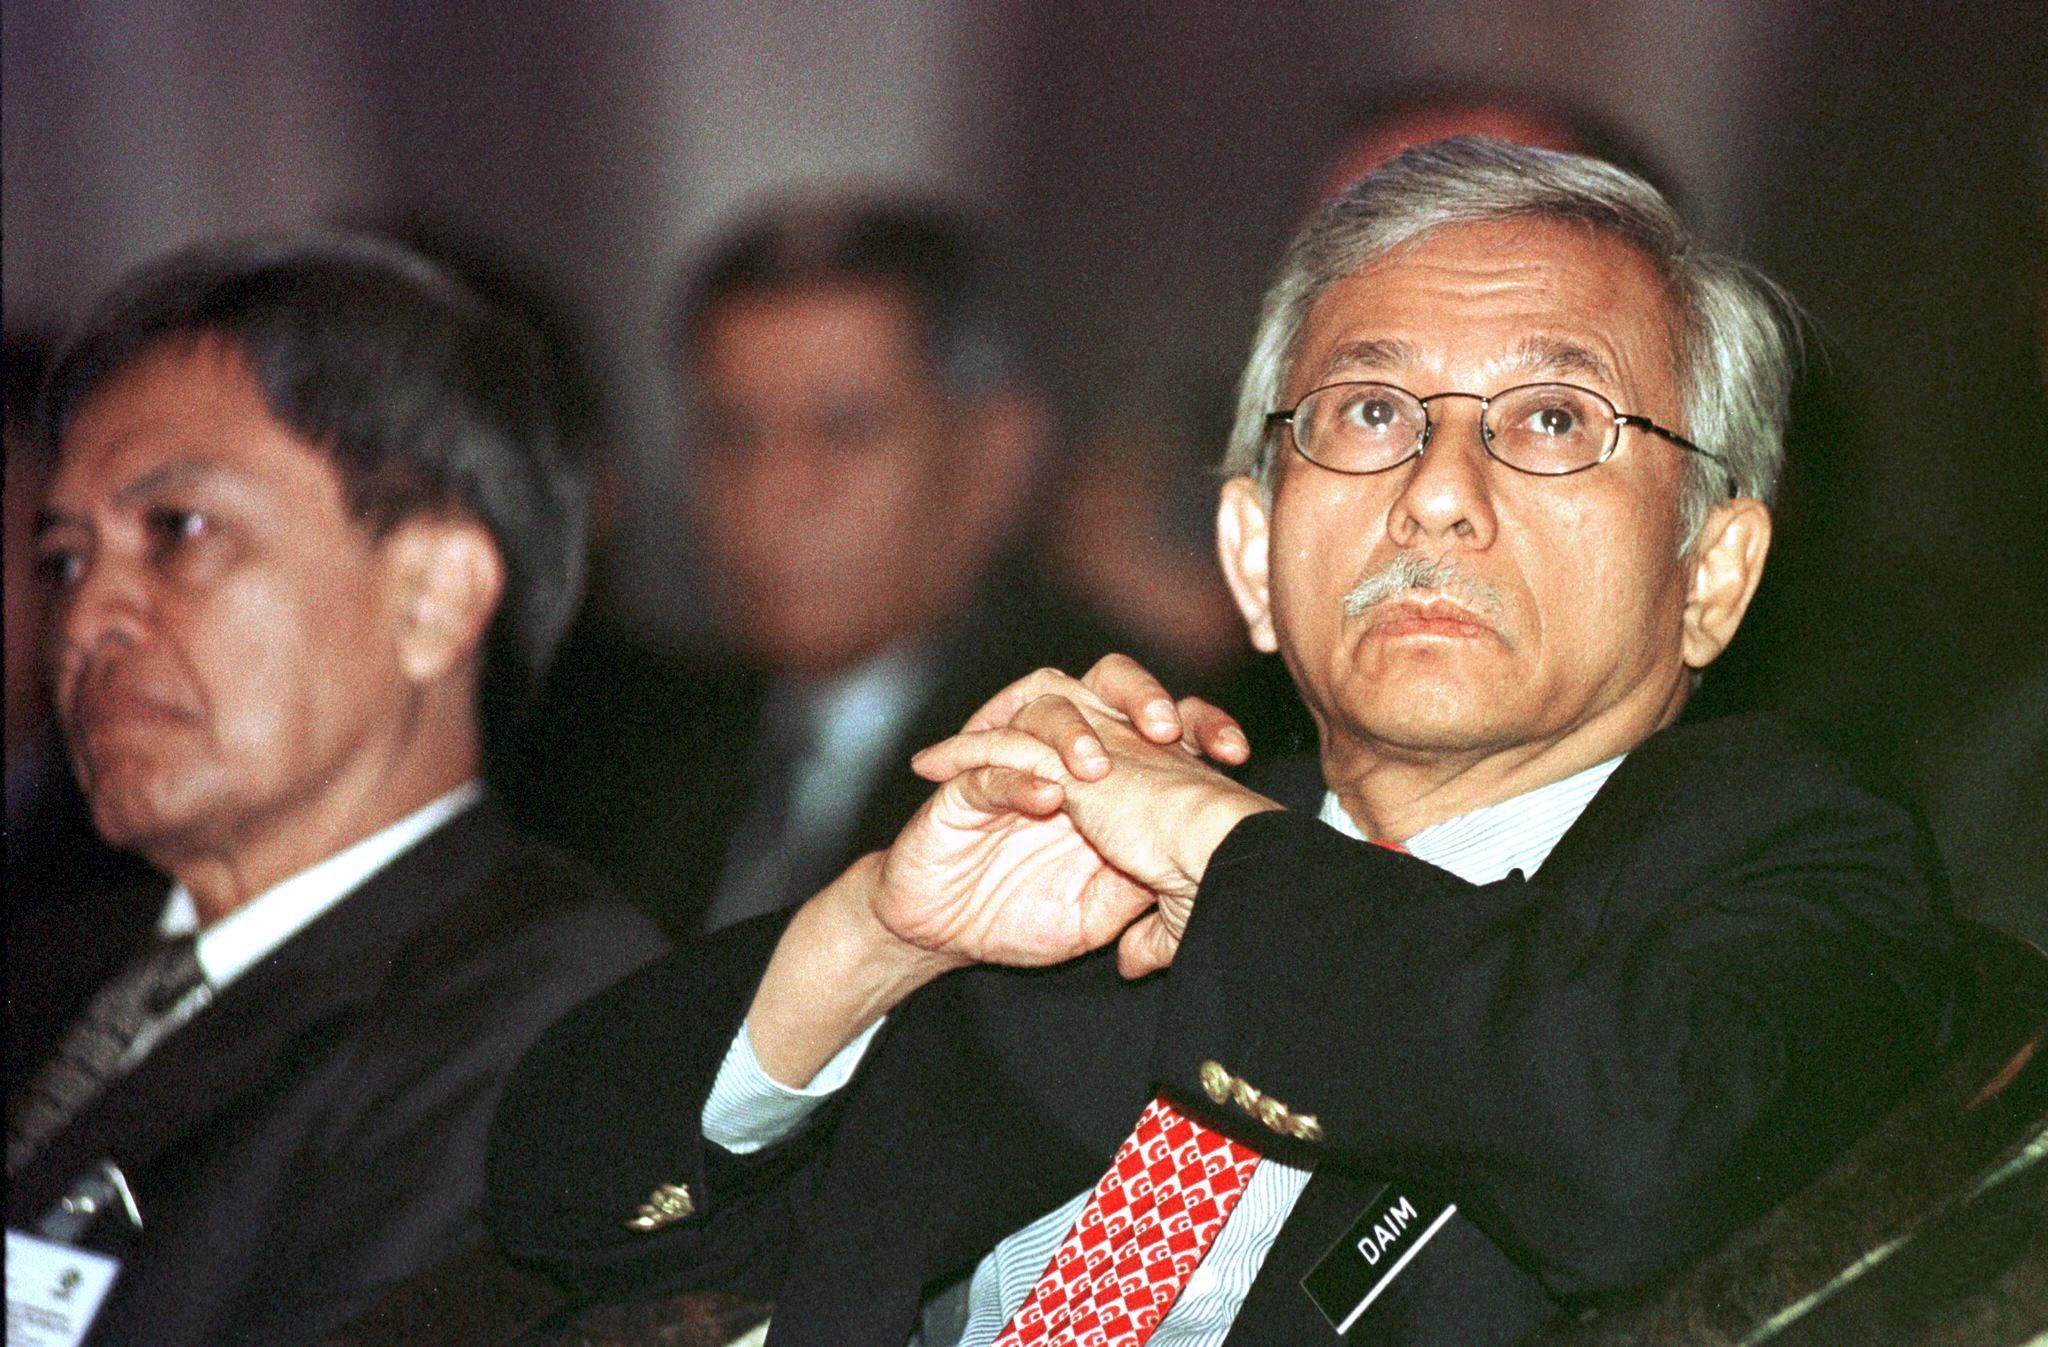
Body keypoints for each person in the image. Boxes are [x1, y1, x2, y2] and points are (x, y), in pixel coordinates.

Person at [487, 139, 1957, 1345]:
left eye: (1554, 419)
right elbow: (559, 1192)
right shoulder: (1097, 888)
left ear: (1712, 572)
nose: (1439, 490)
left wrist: (1222, 846)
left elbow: (1639, 1150)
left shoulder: (1793, 857)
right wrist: (878, 928)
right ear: (1252, 553)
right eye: (1371, 411)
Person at [5, 233, 667, 1347]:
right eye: (66, 557)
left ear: (432, 602)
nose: (89, 619)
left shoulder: (555, 1023)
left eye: (181, 532)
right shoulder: (57, 962)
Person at [505, 196, 1161, 936]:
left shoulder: (1097, 746)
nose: (775, 492)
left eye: (843, 431)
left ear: (990, 458)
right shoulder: (617, 755)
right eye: (734, 435)